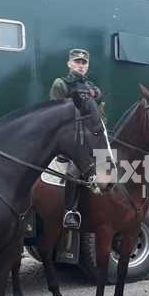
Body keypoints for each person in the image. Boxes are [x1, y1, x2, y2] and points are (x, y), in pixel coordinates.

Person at [49, 48, 103, 229]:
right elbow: (55, 114)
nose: (80, 66)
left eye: (84, 63)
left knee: (107, 165)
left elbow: (98, 113)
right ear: (69, 64)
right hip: (70, 137)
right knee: (74, 170)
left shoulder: (91, 87)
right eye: (77, 62)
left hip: (89, 137)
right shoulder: (61, 84)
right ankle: (69, 212)